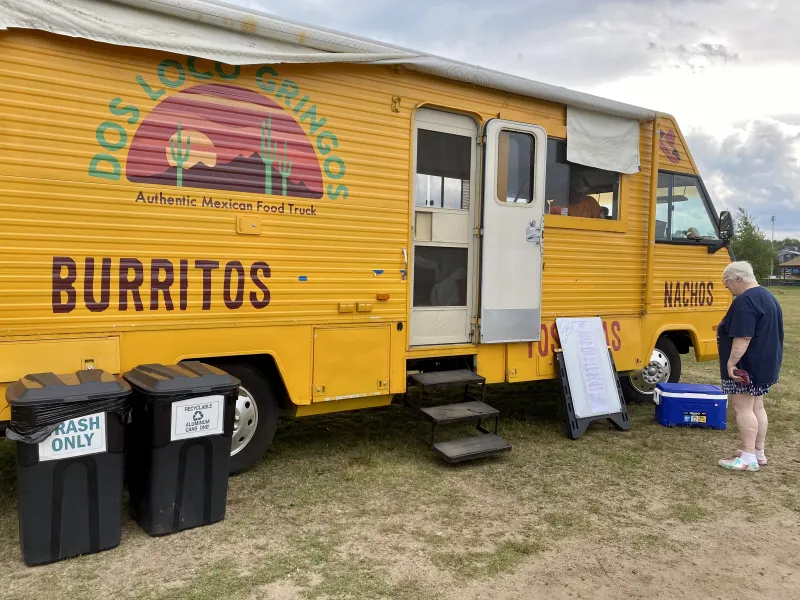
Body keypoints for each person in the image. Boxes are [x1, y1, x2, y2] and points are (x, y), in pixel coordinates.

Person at [717, 261, 784, 472]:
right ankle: (758, 452)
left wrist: (731, 363)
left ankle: (747, 458)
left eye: (727, 282)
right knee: (757, 407)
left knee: (742, 407)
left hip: (747, 367)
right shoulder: (768, 296)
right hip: (766, 364)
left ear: (738, 278)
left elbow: (743, 336)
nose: (726, 286)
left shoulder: (745, 301)